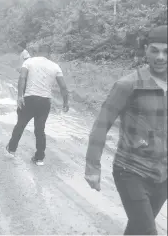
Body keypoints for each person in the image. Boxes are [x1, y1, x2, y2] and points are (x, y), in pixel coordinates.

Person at [85, 25, 167, 235]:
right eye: (155, 50)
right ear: (146, 50)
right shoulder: (128, 85)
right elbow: (101, 125)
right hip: (131, 171)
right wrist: (92, 167)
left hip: (163, 176)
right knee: (148, 232)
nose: (160, 57)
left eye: (166, 51)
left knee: (137, 230)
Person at [6, 44, 69, 166]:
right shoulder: (55, 66)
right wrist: (66, 102)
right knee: (40, 129)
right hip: (45, 102)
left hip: (29, 99)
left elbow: (22, 78)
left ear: (38, 51)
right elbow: (63, 87)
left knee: (20, 125)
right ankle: (39, 158)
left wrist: (20, 96)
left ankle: (11, 150)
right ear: (49, 54)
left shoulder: (29, 62)